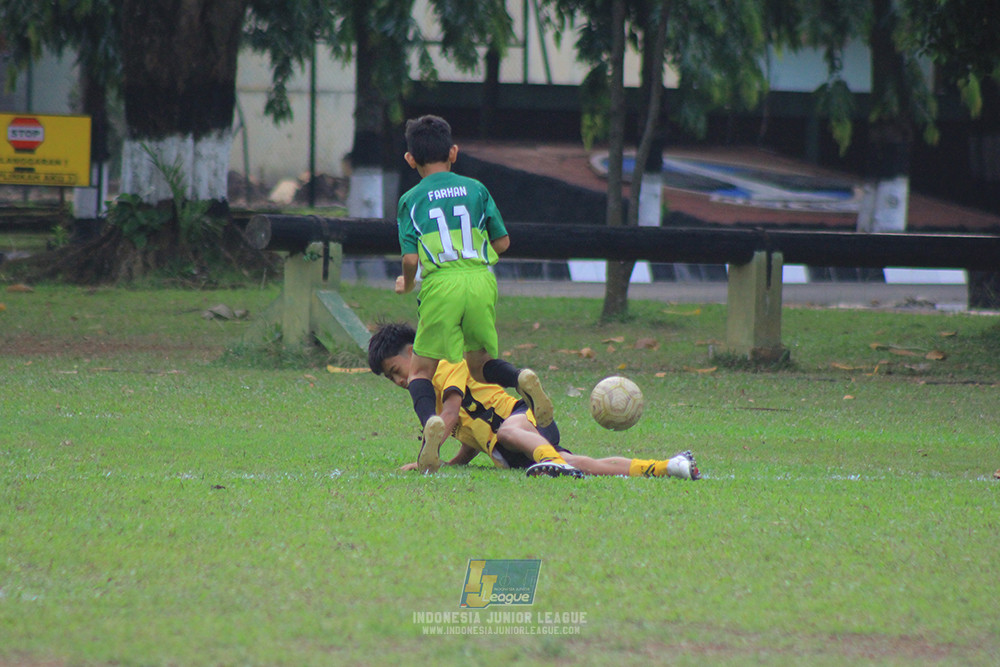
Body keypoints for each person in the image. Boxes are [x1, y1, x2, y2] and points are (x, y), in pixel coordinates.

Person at [394, 114, 554, 472]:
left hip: (442, 283)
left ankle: (430, 427)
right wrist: (478, 263)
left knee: (421, 371)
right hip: (481, 278)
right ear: (453, 152)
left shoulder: (410, 199)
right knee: (480, 369)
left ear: (410, 159)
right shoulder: (476, 189)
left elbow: (408, 257)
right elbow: (503, 241)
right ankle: (521, 380)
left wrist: (406, 282)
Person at [368, 322, 701, 480]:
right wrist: (454, 463)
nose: (400, 381)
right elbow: (470, 437)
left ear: (412, 352)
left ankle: (545, 448)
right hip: (510, 453)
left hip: (521, 416)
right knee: (587, 464)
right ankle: (669, 466)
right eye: (391, 379)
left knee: (509, 432)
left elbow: (453, 412)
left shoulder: (445, 365)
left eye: (396, 371)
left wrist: (429, 457)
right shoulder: (433, 398)